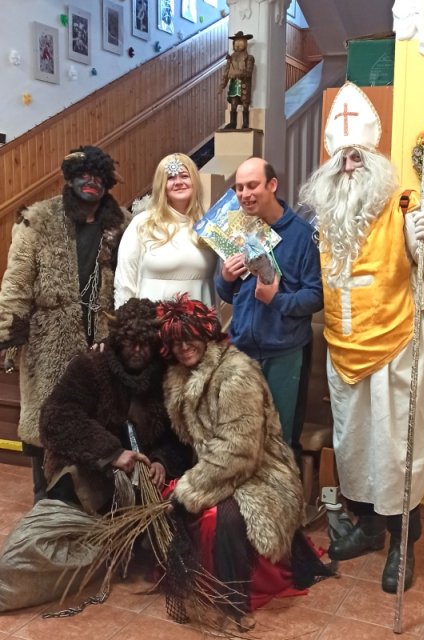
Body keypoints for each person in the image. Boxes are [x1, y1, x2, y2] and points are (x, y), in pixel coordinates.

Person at [299, 82, 424, 593]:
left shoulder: (405, 207)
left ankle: (403, 542)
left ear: (375, 159)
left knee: (396, 450)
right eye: (341, 157)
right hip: (344, 352)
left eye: (358, 156)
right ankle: (367, 528)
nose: (349, 165)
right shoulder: (327, 218)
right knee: (354, 446)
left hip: (396, 348)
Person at [0, 298, 190, 613]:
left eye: (145, 342)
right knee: (30, 551)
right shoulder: (90, 366)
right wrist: (112, 453)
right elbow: (55, 418)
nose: (138, 349)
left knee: (97, 557)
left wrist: (161, 461)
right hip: (81, 483)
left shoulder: (165, 379)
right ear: (117, 338)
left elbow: (177, 438)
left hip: (127, 504)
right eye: (130, 341)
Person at [155, 294, 332, 631]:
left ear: (206, 334)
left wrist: (190, 487)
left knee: (227, 518)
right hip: (217, 467)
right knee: (174, 506)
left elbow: (238, 451)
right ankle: (192, 586)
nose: (183, 347)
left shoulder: (236, 373)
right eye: (175, 342)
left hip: (259, 470)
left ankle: (234, 605)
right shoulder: (178, 377)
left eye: (189, 338)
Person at [0, 145, 130, 503]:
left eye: (98, 176)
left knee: (91, 425)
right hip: (48, 342)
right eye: (83, 174)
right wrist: (7, 333)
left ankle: (85, 508)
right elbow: (17, 283)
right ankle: (45, 506)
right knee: (46, 424)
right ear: (69, 178)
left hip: (99, 345)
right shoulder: (38, 220)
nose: (91, 181)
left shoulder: (122, 225)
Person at [215, 157, 323, 449]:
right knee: (240, 439)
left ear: (272, 185)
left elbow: (315, 296)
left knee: (279, 442)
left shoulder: (302, 236)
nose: (244, 194)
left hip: (285, 352)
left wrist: (277, 300)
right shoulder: (237, 229)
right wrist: (225, 277)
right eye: (239, 188)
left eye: (252, 186)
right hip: (242, 351)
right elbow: (226, 292)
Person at [114, 152, 216, 308]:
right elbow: (125, 281)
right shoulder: (143, 223)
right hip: (152, 319)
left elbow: (223, 279)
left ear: (195, 181)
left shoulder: (209, 227)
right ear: (161, 185)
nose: (178, 182)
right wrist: (125, 319)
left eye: (184, 176)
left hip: (200, 319)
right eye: (171, 178)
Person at [218, 31, 255, 130]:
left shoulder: (249, 58)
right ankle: (232, 123)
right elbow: (226, 72)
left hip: (244, 84)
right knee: (233, 104)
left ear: (245, 43)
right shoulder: (231, 58)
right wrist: (222, 85)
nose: (238, 45)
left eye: (240, 42)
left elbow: (248, 73)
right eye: (236, 42)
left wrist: (237, 73)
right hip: (234, 84)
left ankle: (245, 123)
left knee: (245, 104)